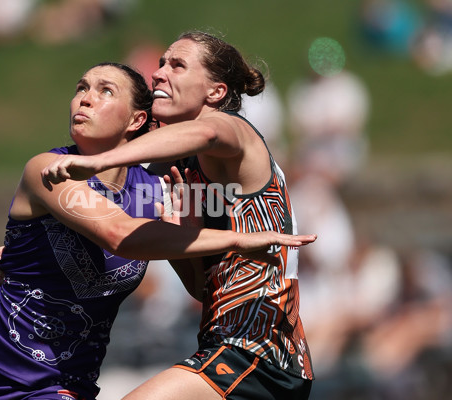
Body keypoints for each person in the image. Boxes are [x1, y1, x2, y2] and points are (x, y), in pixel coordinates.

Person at [0, 62, 316, 400]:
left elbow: (196, 288)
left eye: (105, 91)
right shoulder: (49, 170)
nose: (85, 98)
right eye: (81, 87)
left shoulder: (153, 191)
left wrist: (186, 231)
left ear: (137, 119)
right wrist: (236, 239)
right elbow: (119, 233)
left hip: (61, 383)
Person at [38, 30, 315, 399]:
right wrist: (179, 233)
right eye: (161, 63)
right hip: (225, 347)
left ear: (215, 92)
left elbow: (205, 133)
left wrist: (96, 161)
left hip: (259, 352)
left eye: (177, 65)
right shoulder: (182, 169)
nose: (158, 74)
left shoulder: (233, 130)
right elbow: (201, 288)